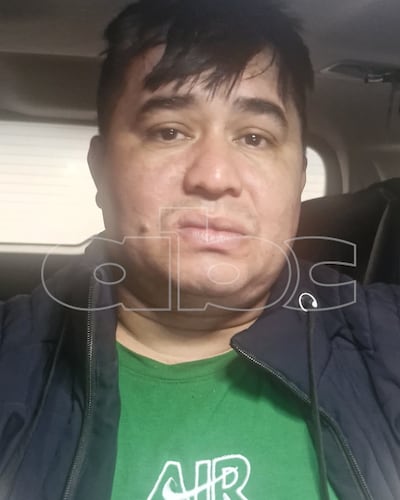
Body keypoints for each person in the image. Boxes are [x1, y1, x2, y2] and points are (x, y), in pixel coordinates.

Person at [0, 0, 399, 499]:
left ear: (299, 177)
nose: (213, 176)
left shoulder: (388, 342)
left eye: (254, 138)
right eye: (169, 132)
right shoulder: (12, 362)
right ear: (101, 170)